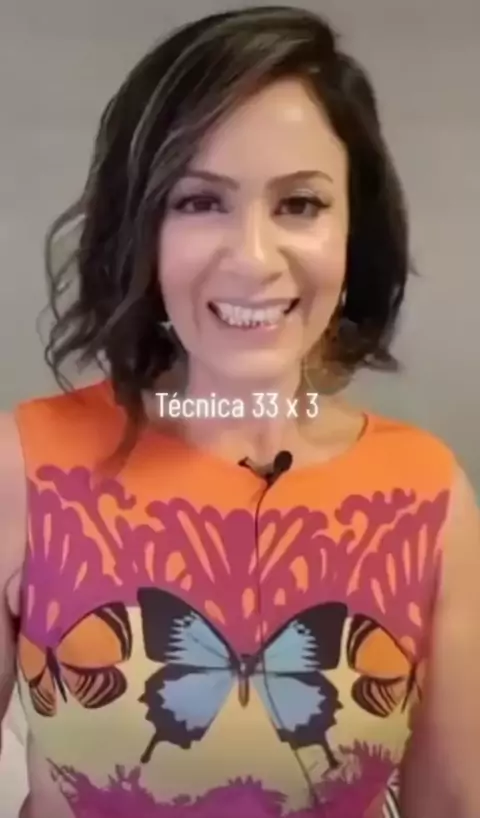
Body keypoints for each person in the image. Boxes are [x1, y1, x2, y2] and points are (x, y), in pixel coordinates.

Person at [0, 5, 479, 817]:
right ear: (141, 228)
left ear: (353, 230)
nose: (254, 259)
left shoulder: (429, 496)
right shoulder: (24, 465)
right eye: (199, 202)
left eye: (300, 204)